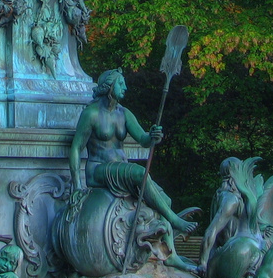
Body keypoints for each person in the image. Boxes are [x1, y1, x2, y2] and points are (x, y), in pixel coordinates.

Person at [68, 69, 198, 234]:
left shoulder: (124, 113)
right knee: (139, 173)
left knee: (166, 200)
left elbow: (143, 140)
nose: (125, 87)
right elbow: (76, 148)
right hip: (98, 170)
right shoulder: (91, 114)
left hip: (120, 169)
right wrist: (77, 185)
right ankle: (174, 220)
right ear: (109, 86)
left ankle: (170, 254)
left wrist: (152, 136)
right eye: (120, 83)